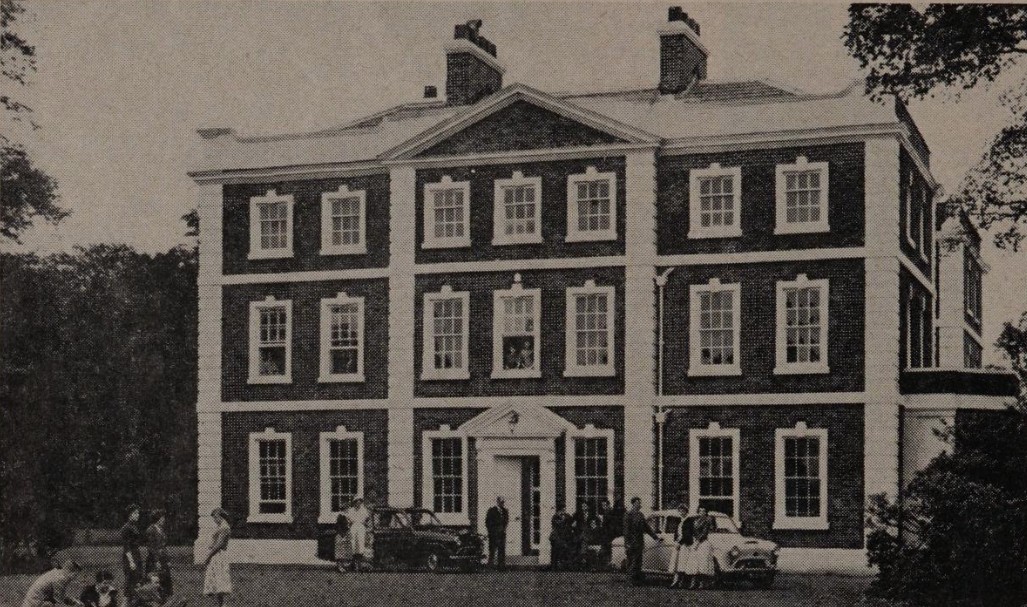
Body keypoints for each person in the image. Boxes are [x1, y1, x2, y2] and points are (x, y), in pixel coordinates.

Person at [622, 496, 662, 586]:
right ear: (634, 504)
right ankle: (630, 581)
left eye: (640, 503)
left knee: (638, 562)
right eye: (638, 503)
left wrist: (656, 537)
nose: (640, 505)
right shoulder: (628, 515)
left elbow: (647, 528)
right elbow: (626, 531)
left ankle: (636, 580)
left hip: (639, 542)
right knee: (632, 562)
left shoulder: (640, 515)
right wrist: (627, 544)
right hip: (631, 543)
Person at [203, 508, 232, 607]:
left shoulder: (224, 527)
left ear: (221, 517)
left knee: (219, 581)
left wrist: (208, 556)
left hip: (219, 555)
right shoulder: (220, 526)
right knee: (215, 581)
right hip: (216, 556)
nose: (214, 520)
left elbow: (219, 545)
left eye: (215, 517)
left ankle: (222, 605)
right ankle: (218, 604)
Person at [685, 507, 716, 590]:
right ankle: (693, 583)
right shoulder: (695, 520)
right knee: (694, 563)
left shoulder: (707, 521)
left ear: (706, 512)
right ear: (698, 512)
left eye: (704, 511)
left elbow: (704, 533)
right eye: (700, 511)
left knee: (703, 564)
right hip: (695, 541)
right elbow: (691, 531)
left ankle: (702, 584)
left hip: (703, 543)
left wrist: (698, 542)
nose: (702, 512)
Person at [145, 510, 172, 598]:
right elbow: (151, 547)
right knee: (155, 580)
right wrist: (156, 561)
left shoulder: (161, 530)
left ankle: (164, 600)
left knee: (165, 581)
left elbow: (164, 546)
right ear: (158, 519)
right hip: (154, 559)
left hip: (163, 558)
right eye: (162, 518)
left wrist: (168, 560)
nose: (164, 520)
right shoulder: (150, 530)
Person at [121, 504, 144, 602]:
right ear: (130, 514)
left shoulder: (134, 526)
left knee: (137, 582)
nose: (138, 515)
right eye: (135, 513)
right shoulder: (126, 528)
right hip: (130, 557)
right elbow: (127, 547)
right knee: (129, 584)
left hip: (136, 555)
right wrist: (131, 562)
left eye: (138, 513)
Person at [668, 504, 693, 589]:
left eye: (683, 511)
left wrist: (680, 542)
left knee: (682, 563)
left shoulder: (689, 521)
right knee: (677, 563)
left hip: (685, 544)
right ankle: (676, 582)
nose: (681, 512)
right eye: (680, 511)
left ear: (686, 511)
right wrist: (676, 540)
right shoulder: (679, 520)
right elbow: (677, 532)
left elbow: (687, 534)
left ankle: (680, 582)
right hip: (678, 543)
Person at [344, 497, 371, 570]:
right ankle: (353, 563)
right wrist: (349, 524)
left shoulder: (363, 510)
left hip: (361, 527)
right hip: (353, 527)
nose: (358, 504)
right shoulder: (351, 510)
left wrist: (364, 523)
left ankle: (359, 564)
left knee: (360, 544)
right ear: (355, 502)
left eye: (360, 502)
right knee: (353, 544)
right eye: (357, 502)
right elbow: (347, 518)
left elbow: (367, 518)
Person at [484, 496, 509, 571]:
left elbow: (506, 521)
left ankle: (501, 567)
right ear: (497, 502)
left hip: (501, 534)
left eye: (503, 502)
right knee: (492, 550)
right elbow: (487, 522)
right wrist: (492, 531)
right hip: (493, 534)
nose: (502, 504)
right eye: (501, 502)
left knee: (501, 550)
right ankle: (490, 567)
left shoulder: (505, 511)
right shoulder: (492, 511)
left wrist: (503, 529)